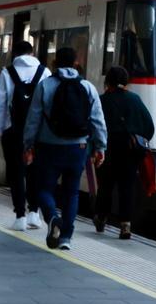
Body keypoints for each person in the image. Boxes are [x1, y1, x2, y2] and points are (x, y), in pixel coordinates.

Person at [23, 47, 106, 251]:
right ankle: (66, 238)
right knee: (72, 193)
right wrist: (101, 147)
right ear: (76, 63)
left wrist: (28, 145)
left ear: (54, 63)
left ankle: (53, 219)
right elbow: (98, 120)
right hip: (78, 147)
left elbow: (33, 120)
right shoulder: (88, 87)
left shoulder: (44, 86)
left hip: (48, 147)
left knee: (43, 188)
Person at [94, 66, 155, 240]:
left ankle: (101, 218)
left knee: (106, 185)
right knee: (126, 187)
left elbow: (94, 125)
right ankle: (125, 224)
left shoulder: (102, 101)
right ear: (126, 82)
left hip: (107, 148)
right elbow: (149, 126)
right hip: (130, 151)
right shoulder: (135, 99)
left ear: (107, 82)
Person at [0, 40, 47, 231]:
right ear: (32, 53)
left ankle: (20, 217)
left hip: (14, 131)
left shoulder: (7, 72)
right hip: (39, 133)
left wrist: (1, 129)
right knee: (36, 171)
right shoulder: (44, 72)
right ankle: (35, 213)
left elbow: (0, 104)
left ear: (14, 54)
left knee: (16, 173)